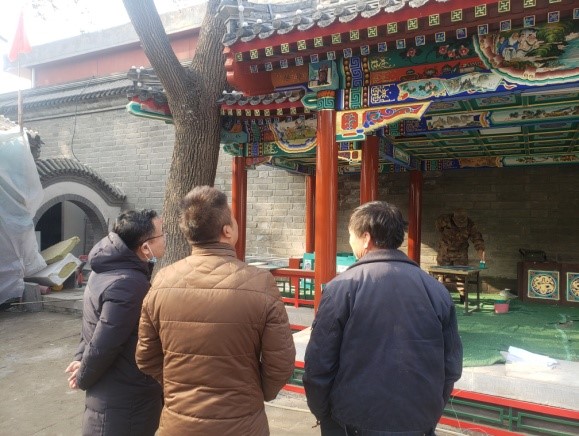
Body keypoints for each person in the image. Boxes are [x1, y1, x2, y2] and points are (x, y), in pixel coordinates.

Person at [136, 186, 296, 435]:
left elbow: (146, 356)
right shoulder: (260, 282)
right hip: (243, 424)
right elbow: (281, 363)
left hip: (179, 423)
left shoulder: (162, 280)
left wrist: (176, 386)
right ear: (227, 230)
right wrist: (256, 392)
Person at [303, 201, 463, 436]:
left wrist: (324, 414)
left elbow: (319, 365)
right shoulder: (436, 290)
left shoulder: (342, 288)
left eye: (350, 235)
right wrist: (429, 413)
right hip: (418, 422)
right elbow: (451, 366)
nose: (350, 241)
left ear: (366, 238)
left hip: (351, 423)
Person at [64, 209, 166, 436]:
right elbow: (105, 343)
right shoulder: (129, 283)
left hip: (114, 391)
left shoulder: (107, 269)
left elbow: (92, 325)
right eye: (162, 233)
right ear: (145, 247)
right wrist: (82, 376)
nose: (166, 238)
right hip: (126, 401)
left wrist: (80, 358)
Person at [435, 208, 486, 301]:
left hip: (460, 252)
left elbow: (477, 237)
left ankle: (463, 296)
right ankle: (439, 297)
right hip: (445, 251)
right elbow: (439, 228)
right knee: (441, 275)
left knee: (461, 276)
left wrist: (480, 249)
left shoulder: (470, 224)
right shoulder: (444, 220)